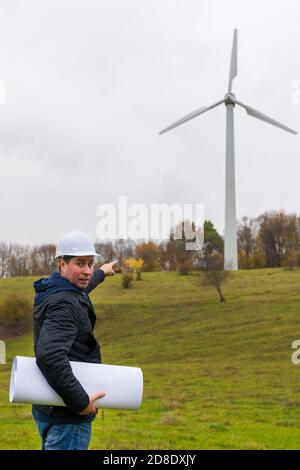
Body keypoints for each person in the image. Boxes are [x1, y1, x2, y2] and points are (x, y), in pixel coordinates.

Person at [32, 230, 117, 450]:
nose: (87, 271)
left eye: (90, 264)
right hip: (68, 417)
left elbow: (81, 287)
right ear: (62, 263)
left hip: (49, 408)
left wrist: (102, 272)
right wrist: (81, 403)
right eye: (80, 264)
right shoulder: (65, 303)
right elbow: (49, 356)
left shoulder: (54, 288)